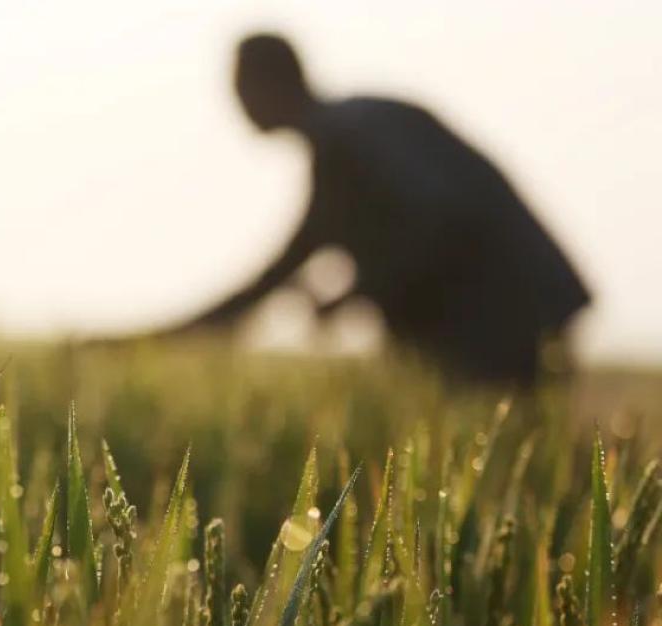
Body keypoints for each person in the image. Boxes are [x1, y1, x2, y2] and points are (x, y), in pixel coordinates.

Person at [171, 33, 590, 384]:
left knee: (505, 449)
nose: (237, 101)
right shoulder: (345, 143)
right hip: (512, 311)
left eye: (240, 84)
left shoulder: (350, 141)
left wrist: (357, 293)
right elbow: (278, 274)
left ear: (270, 83)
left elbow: (442, 222)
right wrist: (168, 336)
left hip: (500, 318)